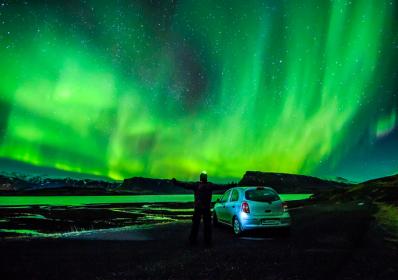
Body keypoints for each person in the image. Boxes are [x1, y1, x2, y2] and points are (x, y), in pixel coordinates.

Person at [172, 171, 225, 247]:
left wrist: (176, 182)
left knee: (198, 225)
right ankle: (205, 241)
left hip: (199, 208)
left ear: (201, 178)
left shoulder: (198, 185)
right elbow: (221, 186)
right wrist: (176, 182)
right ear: (205, 178)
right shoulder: (209, 185)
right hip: (204, 209)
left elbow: (185, 185)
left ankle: (196, 240)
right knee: (204, 225)